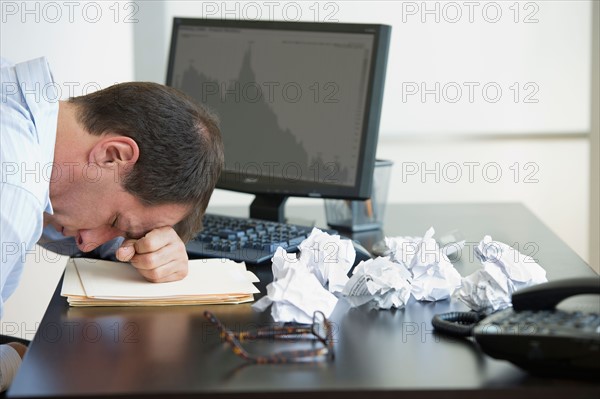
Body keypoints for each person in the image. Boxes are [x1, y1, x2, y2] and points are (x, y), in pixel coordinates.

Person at [0, 57, 224, 392]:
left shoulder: (20, 100)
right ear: (113, 155)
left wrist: (145, 249)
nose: (87, 244)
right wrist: (19, 358)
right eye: (115, 220)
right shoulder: (14, 193)